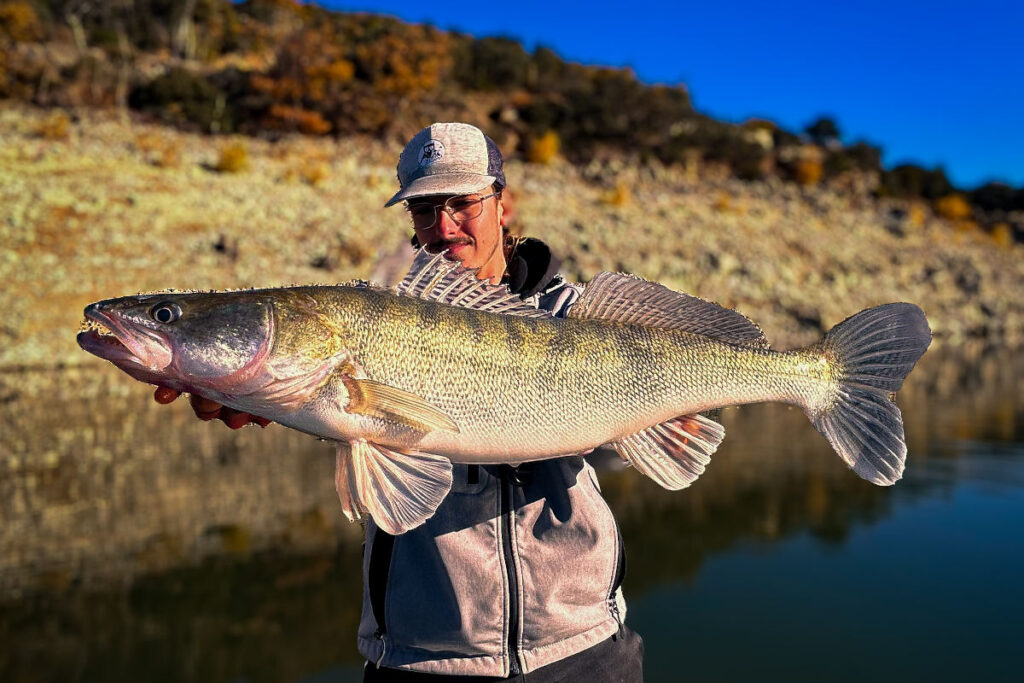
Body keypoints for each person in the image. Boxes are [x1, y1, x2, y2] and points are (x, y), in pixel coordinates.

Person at [156, 122, 644, 681]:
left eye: (463, 203)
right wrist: (258, 395)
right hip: (426, 657)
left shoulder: (577, 316)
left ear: (501, 203)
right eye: (422, 210)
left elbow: (609, 460)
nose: (444, 226)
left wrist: (648, 420)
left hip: (583, 647)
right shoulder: (381, 312)